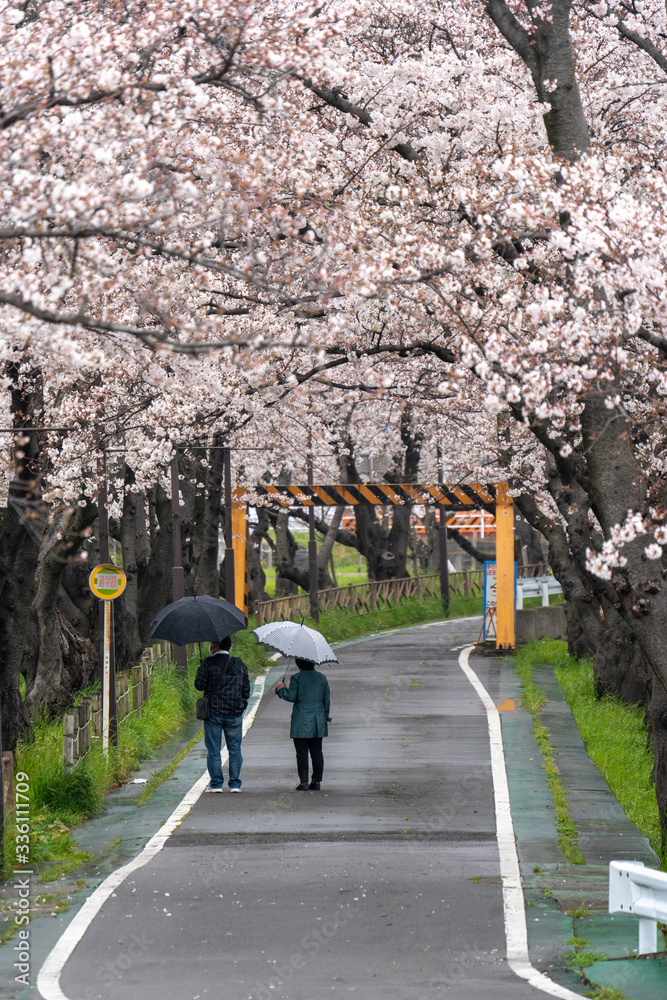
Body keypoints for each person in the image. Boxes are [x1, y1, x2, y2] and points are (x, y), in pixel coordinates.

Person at [195, 636, 250, 793]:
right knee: (235, 749)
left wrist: (200, 670)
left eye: (211, 643)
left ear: (217, 646)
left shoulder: (208, 664)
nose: (209, 646)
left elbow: (199, 685)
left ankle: (217, 784)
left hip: (214, 714)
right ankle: (234, 784)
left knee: (214, 750)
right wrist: (242, 706)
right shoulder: (239, 664)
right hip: (234, 713)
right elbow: (246, 688)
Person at [275, 657, 331, 790]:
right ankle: (316, 781)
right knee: (317, 752)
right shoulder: (322, 678)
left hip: (301, 720)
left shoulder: (296, 678)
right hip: (318, 720)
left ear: (298, 663)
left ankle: (304, 781)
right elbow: (326, 700)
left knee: (301, 752)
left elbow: (292, 697)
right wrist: (326, 717)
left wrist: (282, 689)